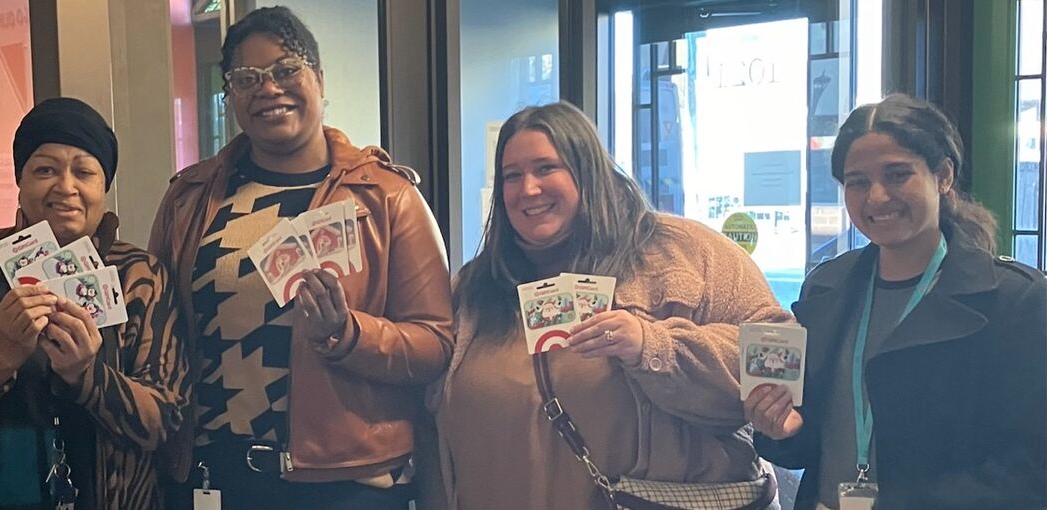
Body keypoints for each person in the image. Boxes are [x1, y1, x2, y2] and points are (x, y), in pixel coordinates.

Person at [149, 6, 452, 509]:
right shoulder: (190, 198)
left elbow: (436, 343)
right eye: (247, 78)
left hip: (346, 484)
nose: (268, 89)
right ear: (230, 96)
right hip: (214, 474)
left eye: (286, 70)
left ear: (319, 79)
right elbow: (159, 332)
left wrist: (347, 333)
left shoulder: (385, 197)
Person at [432, 101, 791, 509]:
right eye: (512, 176)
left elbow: (775, 351)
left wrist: (654, 346)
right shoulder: (474, 289)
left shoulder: (684, 252)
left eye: (546, 168)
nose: (528, 189)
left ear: (588, 171)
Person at [747, 94, 1047, 509]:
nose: (876, 197)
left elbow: (1031, 468)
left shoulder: (1015, 301)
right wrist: (781, 430)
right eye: (857, 182)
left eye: (897, 174)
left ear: (943, 176)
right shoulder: (826, 290)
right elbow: (812, 437)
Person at [0, 97, 189, 509]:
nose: (65, 187)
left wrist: (85, 374)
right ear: (20, 180)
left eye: (84, 171)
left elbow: (165, 420)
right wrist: (2, 354)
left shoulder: (140, 276)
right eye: (44, 169)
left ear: (103, 186)